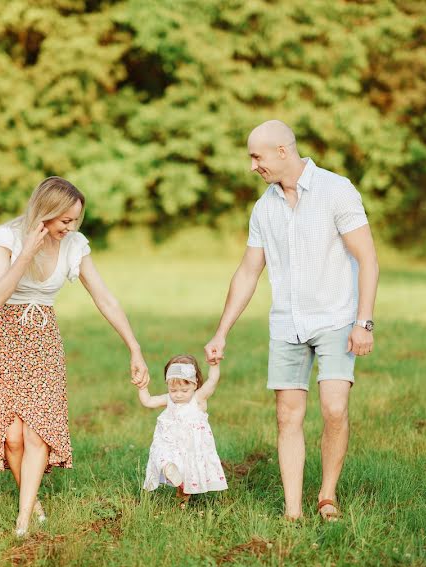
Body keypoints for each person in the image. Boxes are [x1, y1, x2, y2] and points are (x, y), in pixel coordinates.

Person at [204, 120, 379, 522]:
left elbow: (367, 257)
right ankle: (293, 511)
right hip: (287, 324)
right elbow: (248, 272)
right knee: (287, 416)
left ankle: (327, 495)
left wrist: (363, 322)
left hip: (337, 317)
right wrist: (222, 331)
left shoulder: (337, 190)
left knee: (334, 409)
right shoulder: (264, 208)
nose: (252, 166)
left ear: (282, 151)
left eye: (256, 156)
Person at [0, 176, 150, 537]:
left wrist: (134, 347)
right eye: (64, 220)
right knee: (12, 437)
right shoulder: (6, 238)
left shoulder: (74, 246)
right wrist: (27, 252)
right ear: (44, 213)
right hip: (6, 337)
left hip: (44, 340)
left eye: (75, 221)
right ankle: (32, 499)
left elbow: (105, 298)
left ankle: (23, 518)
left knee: (37, 431)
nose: (71, 228)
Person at [138, 354, 227, 506]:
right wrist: (142, 387)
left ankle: (182, 500)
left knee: (188, 474)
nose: (178, 395)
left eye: (184, 390)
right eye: (173, 390)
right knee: (162, 457)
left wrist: (214, 365)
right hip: (171, 443)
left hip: (190, 447)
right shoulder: (169, 399)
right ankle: (168, 468)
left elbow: (212, 381)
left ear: (195, 384)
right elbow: (148, 401)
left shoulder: (198, 398)